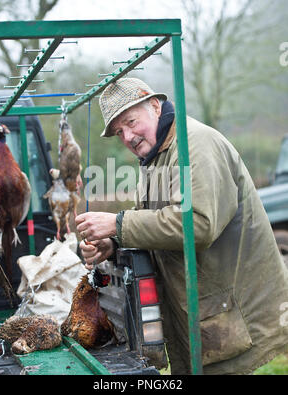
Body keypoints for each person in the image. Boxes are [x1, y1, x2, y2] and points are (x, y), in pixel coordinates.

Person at [75, 77, 288, 375]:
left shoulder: (195, 145)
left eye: (131, 122)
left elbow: (198, 224)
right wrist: (113, 243)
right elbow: (154, 221)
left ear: (154, 106)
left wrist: (117, 223)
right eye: (119, 131)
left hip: (233, 313)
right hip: (204, 312)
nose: (127, 136)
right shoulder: (155, 156)